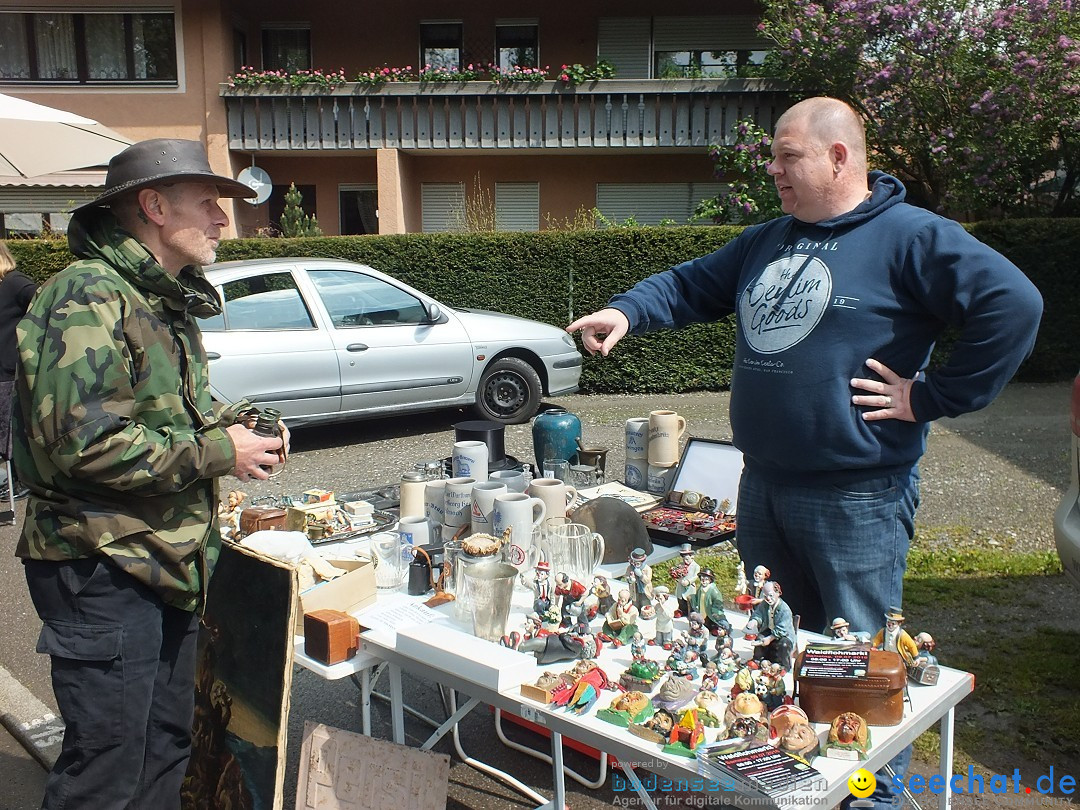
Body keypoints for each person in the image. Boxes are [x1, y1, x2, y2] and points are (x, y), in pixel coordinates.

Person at [566, 97, 1043, 809]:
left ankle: (870, 798)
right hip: (763, 487)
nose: (773, 169)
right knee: (776, 652)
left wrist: (931, 396)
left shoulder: (911, 236)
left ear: (838, 157)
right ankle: (796, 781)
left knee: (861, 675)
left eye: (787, 155)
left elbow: (1014, 304)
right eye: (774, 156)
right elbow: (692, 283)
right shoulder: (770, 239)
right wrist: (627, 310)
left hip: (858, 498)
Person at [13, 139, 288, 810]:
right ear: (154, 206)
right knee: (106, 772)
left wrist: (248, 423)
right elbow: (84, 445)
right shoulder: (87, 296)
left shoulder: (159, 301)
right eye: (211, 204)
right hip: (100, 565)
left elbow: (179, 412)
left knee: (166, 747)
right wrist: (224, 452)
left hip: (162, 563)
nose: (227, 220)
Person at [0, 241, 35, 501]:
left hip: (9, 369)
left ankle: (19, 480)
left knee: (12, 428)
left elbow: (46, 304)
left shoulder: (15, 282)